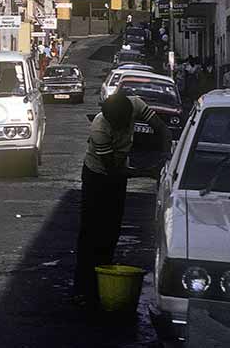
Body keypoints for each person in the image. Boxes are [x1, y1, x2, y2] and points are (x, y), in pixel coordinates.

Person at [73, 94, 138, 307]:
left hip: (116, 177)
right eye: (117, 125)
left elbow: (161, 128)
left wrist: (166, 152)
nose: (121, 128)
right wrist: (147, 172)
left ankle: (104, 274)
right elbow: (112, 171)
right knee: (90, 232)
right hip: (97, 176)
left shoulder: (136, 105)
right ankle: (83, 288)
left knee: (112, 229)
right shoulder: (100, 129)